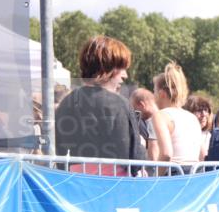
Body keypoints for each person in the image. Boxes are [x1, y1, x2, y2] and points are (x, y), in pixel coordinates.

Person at [55, 35, 146, 174]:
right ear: (106, 67)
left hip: (76, 182)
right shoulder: (120, 104)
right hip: (114, 183)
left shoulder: (66, 102)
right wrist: (141, 145)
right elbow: (133, 160)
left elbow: (60, 156)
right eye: (121, 67)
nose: (125, 75)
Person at [152, 63, 203, 164]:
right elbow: (202, 153)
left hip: (174, 171)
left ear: (161, 94)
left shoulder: (161, 115)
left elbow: (166, 154)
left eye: (154, 91)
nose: (153, 96)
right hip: (195, 171)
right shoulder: (192, 117)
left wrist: (156, 173)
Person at [184, 95, 213, 161]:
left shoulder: (210, 136)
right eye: (199, 110)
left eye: (206, 110)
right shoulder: (182, 135)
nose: (204, 114)